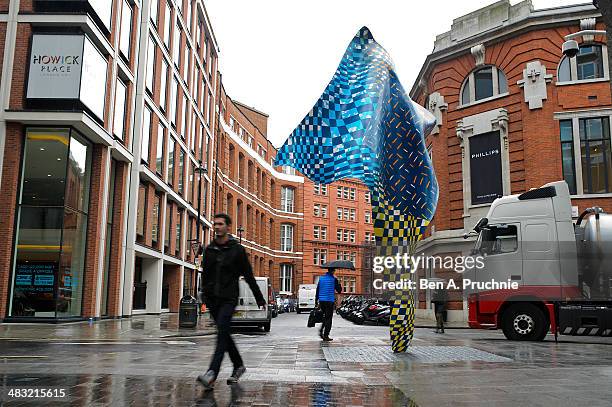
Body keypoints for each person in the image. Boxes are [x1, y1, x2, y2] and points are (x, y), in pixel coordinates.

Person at [197, 213, 266, 390]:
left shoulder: (237, 251)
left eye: (220, 224)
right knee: (224, 333)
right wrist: (204, 294)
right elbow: (205, 275)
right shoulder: (210, 250)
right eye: (215, 224)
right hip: (213, 299)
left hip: (229, 299)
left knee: (221, 335)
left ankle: (212, 373)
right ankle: (238, 366)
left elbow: (249, 276)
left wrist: (259, 298)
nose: (217, 227)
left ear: (228, 227)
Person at [315, 268, 342, 341]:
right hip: (329, 300)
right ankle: (326, 335)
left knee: (325, 317)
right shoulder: (334, 279)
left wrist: (316, 300)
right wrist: (338, 281)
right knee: (329, 318)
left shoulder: (321, 279)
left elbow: (317, 290)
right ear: (333, 271)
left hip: (322, 300)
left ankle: (321, 331)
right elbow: (339, 290)